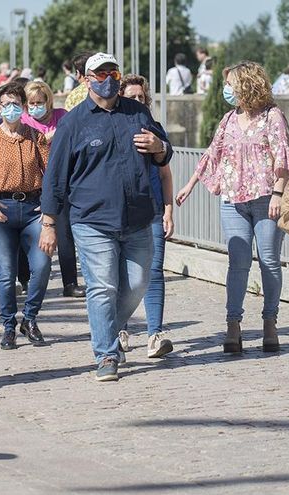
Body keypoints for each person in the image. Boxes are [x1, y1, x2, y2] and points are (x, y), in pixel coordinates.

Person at [39, 52, 172, 382]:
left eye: (112, 72)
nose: (107, 79)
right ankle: (106, 353)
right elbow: (55, 177)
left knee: (139, 282)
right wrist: (49, 223)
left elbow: (164, 152)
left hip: (139, 217)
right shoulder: (73, 122)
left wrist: (159, 145)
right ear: (86, 79)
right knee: (103, 287)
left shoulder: (138, 113)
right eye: (99, 74)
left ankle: (104, 330)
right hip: (92, 220)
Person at [175, 61, 289, 354]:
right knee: (237, 263)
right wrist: (189, 185)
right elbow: (212, 154)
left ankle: (269, 321)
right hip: (233, 200)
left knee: (269, 261)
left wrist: (278, 194)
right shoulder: (228, 119)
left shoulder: (272, 117)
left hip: (267, 198)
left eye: (230, 84)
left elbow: (282, 158)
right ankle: (233, 325)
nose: (226, 90)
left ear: (247, 84)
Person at [0, 82, 52, 349]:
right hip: (1, 209)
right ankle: (8, 326)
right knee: (6, 273)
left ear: (24, 107)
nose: (11, 109)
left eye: (17, 104)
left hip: (32, 209)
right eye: (6, 104)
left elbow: (51, 172)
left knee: (41, 265)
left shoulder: (34, 137)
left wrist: (49, 206)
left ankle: (30, 318)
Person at [117, 74, 175, 358]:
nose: (137, 101)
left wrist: (168, 209)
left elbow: (165, 173)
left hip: (151, 211)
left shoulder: (155, 130)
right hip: (119, 212)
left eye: (141, 97)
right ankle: (120, 329)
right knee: (120, 274)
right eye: (131, 97)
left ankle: (155, 334)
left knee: (153, 271)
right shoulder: (112, 128)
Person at [20, 81, 84, 298]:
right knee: (32, 235)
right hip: (35, 184)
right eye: (32, 103)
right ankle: (29, 281)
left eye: (40, 102)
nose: (36, 106)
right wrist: (45, 139)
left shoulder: (62, 116)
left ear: (48, 101)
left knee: (65, 235)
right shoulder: (23, 122)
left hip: (62, 182)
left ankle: (70, 283)